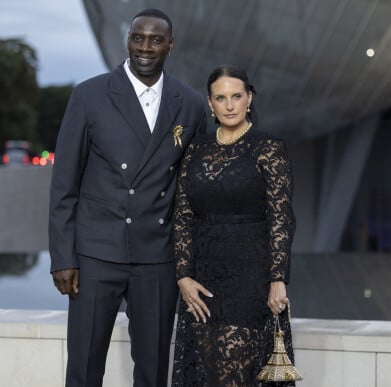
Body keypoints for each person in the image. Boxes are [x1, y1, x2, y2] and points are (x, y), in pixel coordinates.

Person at [48, 8, 207, 387]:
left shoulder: (190, 103)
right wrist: (63, 257)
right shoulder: (89, 95)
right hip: (96, 255)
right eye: (138, 38)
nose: (145, 48)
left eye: (155, 40)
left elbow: (194, 191)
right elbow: (63, 184)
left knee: (153, 371)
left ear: (170, 45)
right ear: (128, 41)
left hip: (157, 255)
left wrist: (189, 263)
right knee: (84, 368)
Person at [171, 65, 296, 386]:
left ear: (249, 98)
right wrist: (183, 276)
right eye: (220, 98)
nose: (229, 105)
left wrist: (278, 279)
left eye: (236, 96)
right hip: (203, 281)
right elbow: (183, 215)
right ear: (210, 104)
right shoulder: (195, 150)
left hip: (250, 279)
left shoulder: (268, 148)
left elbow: (281, 217)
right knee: (205, 372)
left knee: (238, 374)